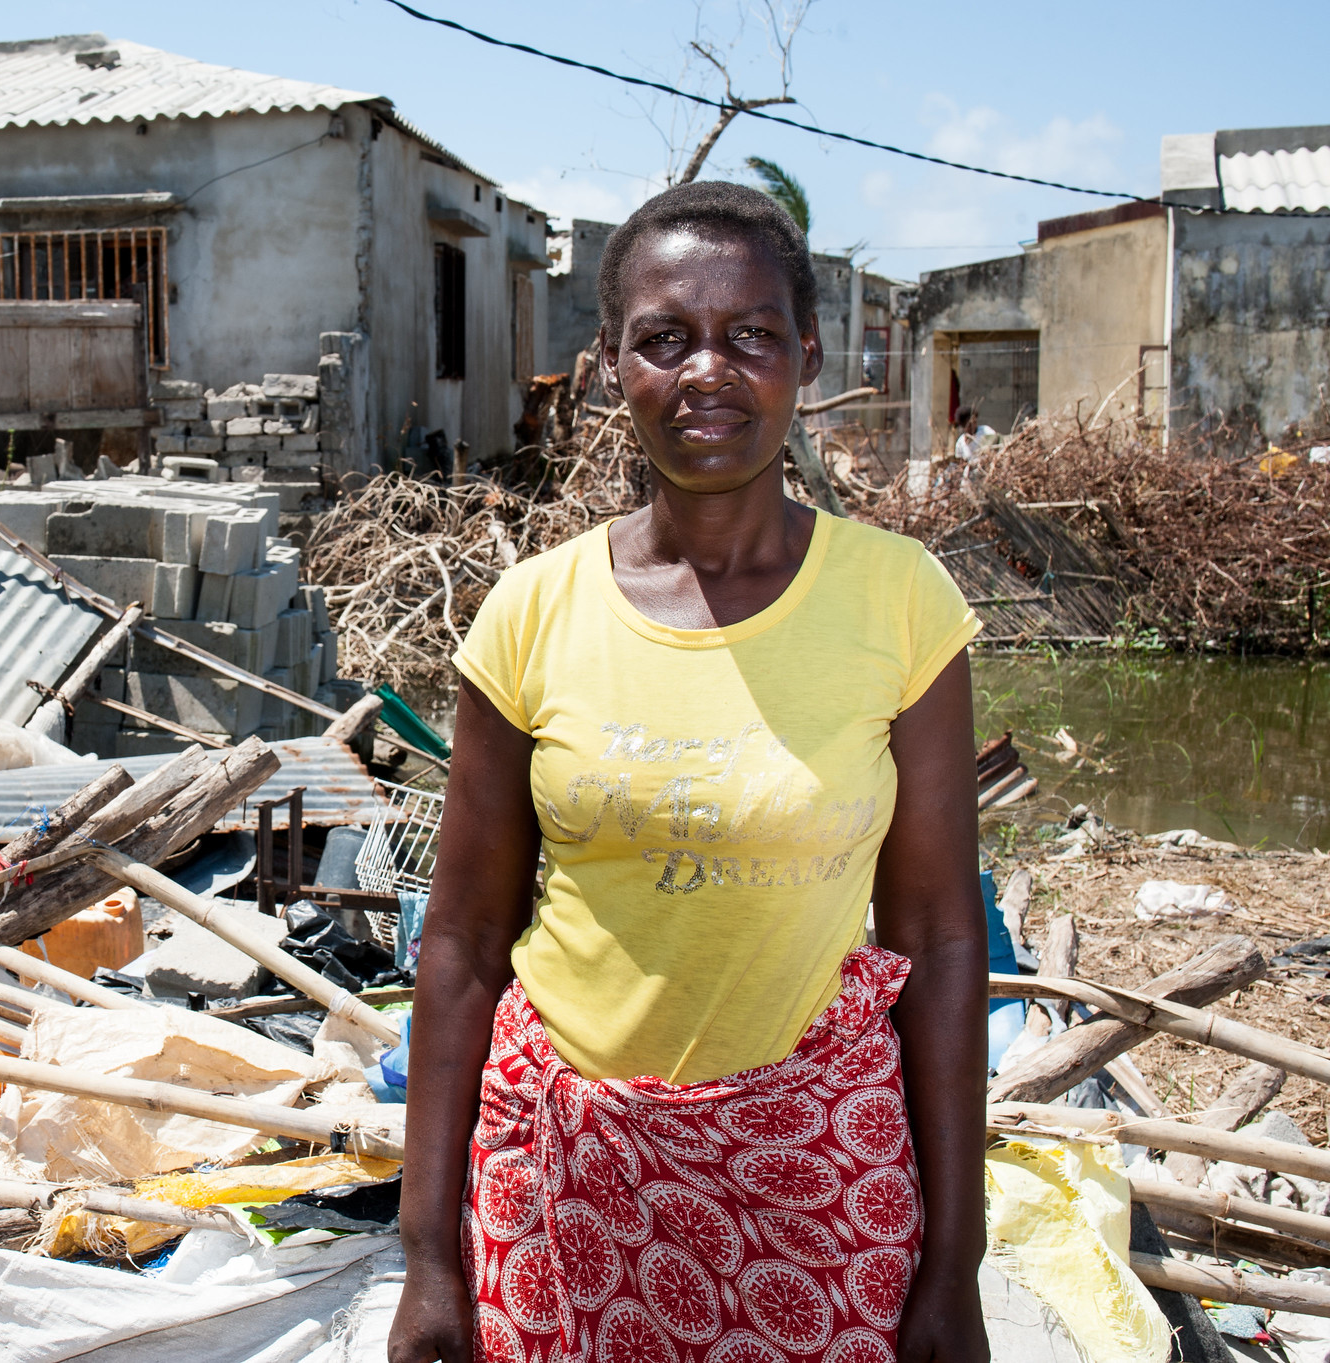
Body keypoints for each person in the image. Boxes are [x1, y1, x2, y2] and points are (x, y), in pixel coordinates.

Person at [389, 181, 989, 1363]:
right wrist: (426, 1260)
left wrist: (951, 1263)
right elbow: (459, 940)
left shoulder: (897, 600)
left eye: (749, 335)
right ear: (611, 362)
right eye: (663, 339)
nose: (705, 372)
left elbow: (937, 929)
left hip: (812, 1177)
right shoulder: (530, 613)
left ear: (806, 356)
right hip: (559, 1176)